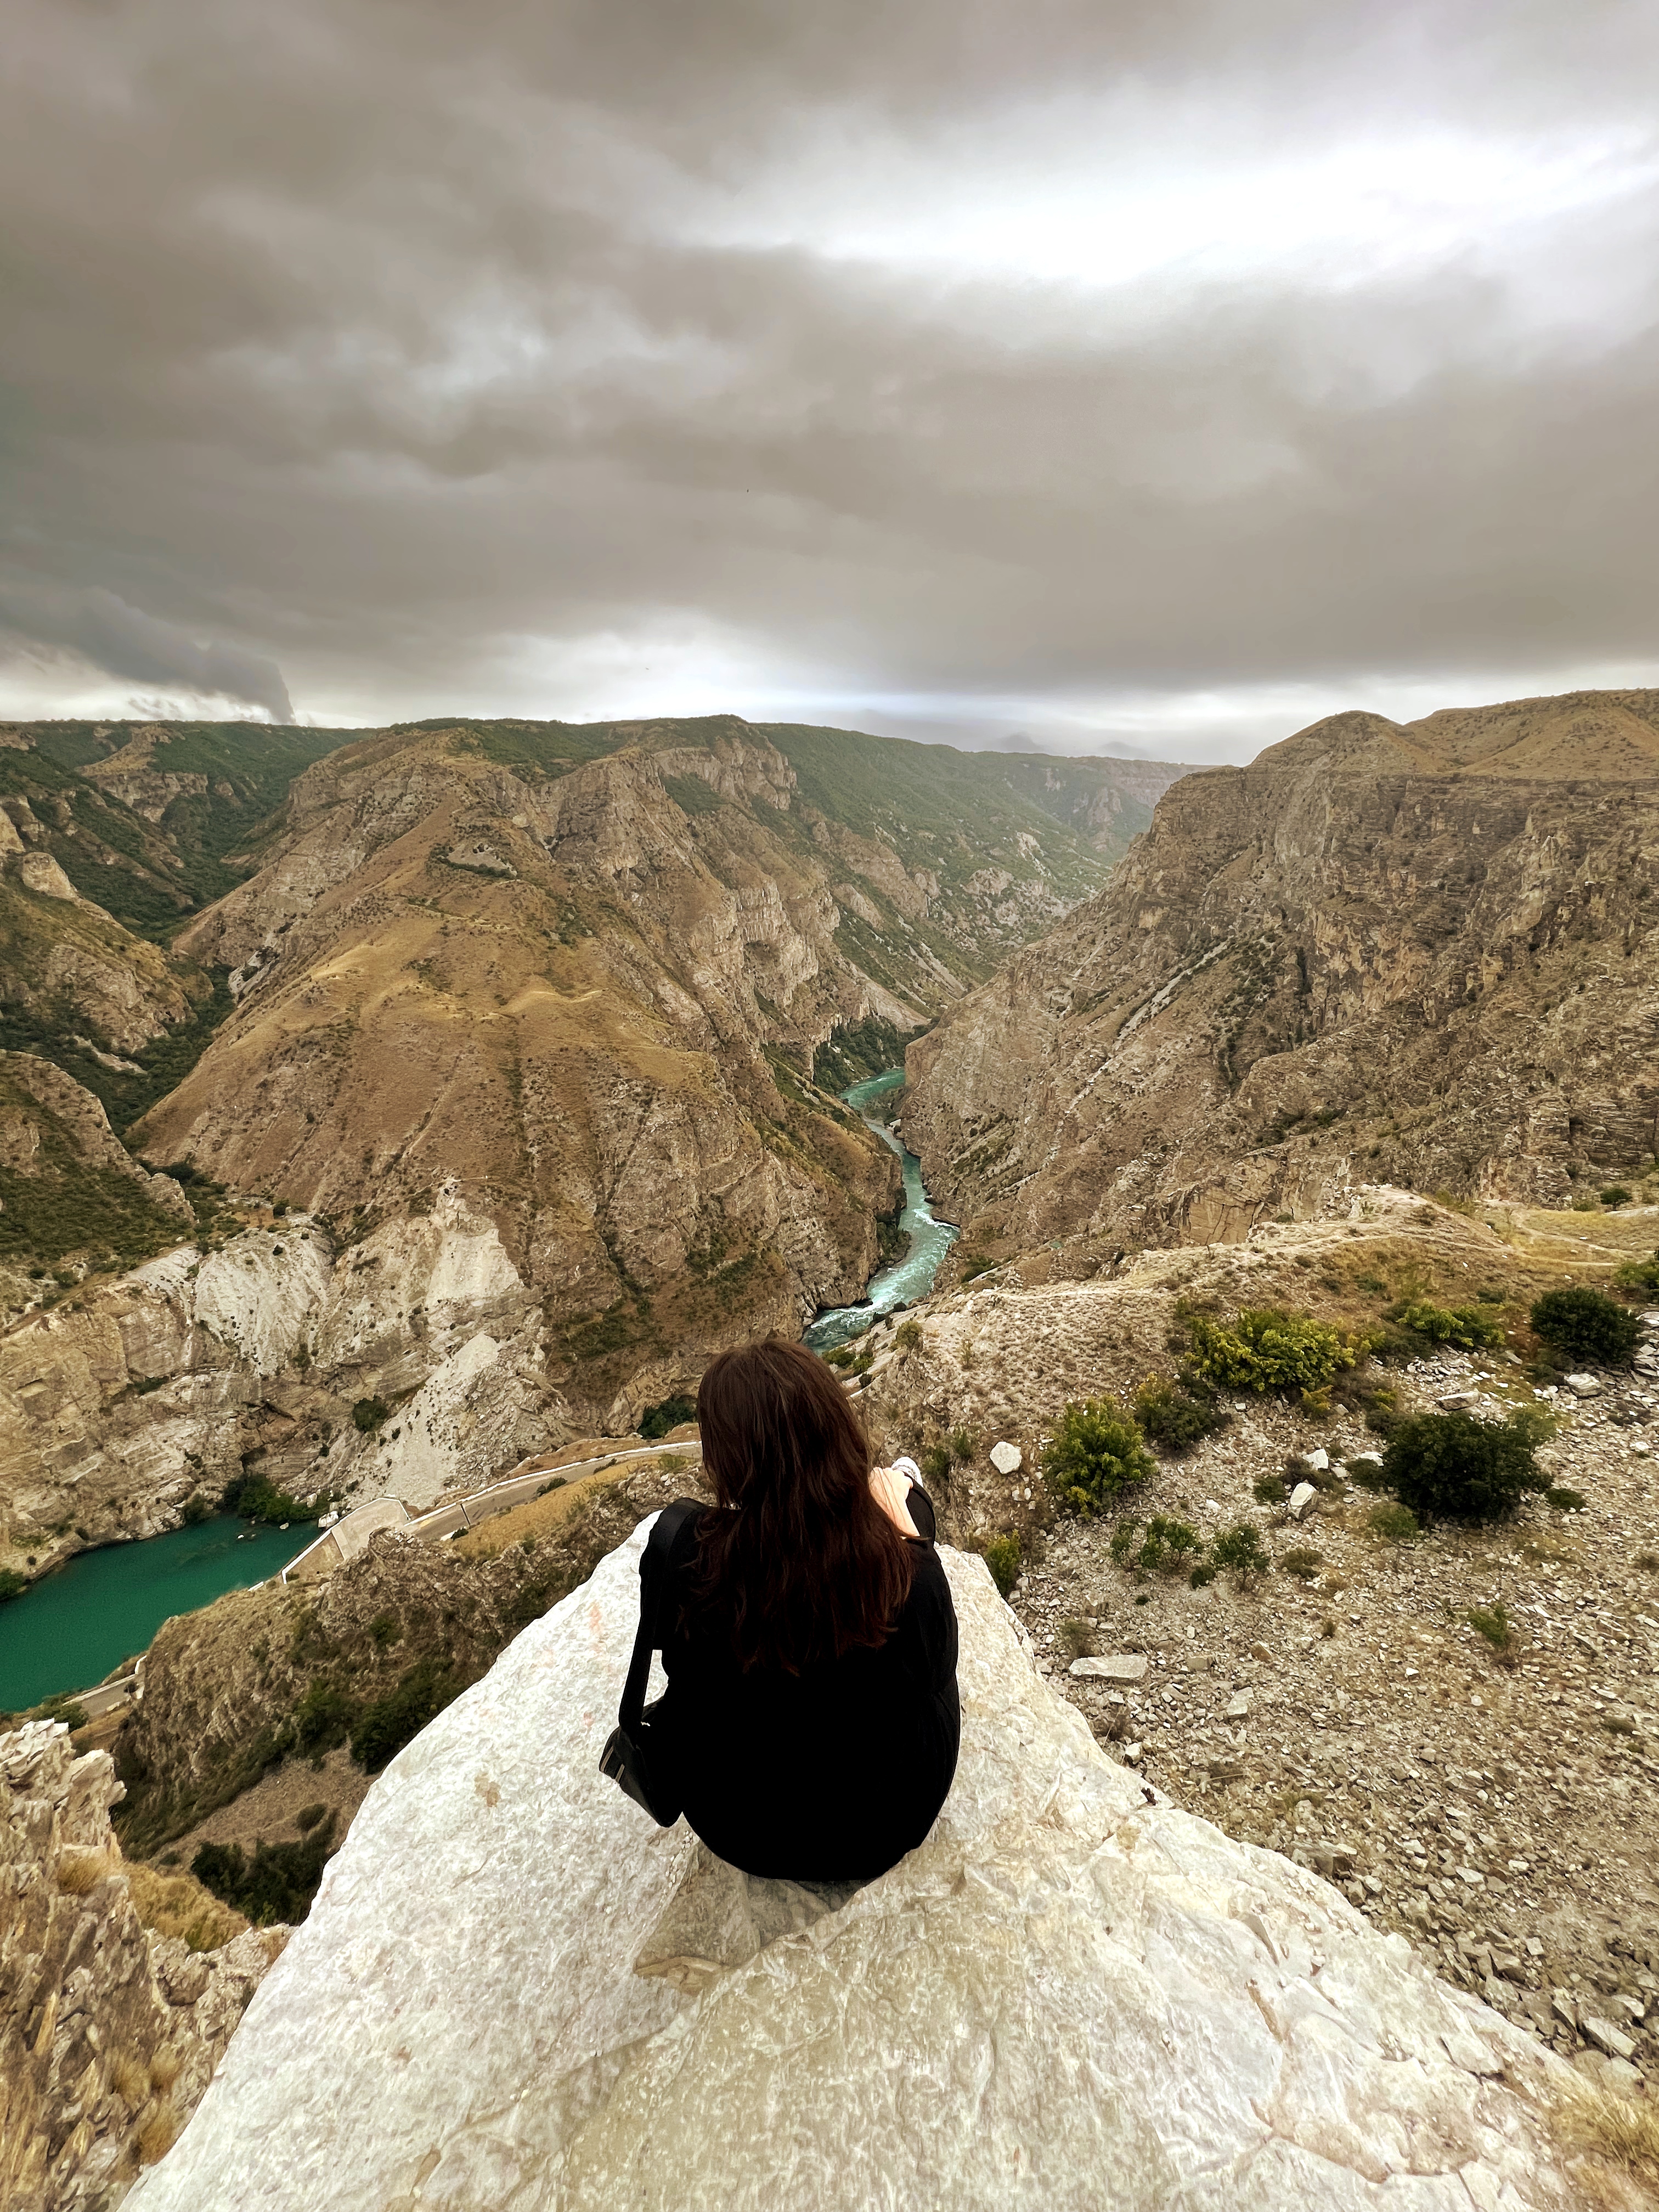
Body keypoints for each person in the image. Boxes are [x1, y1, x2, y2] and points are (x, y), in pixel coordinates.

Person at [651, 1338, 960, 1884]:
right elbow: (935, 1667)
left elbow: (679, 1667)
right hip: (882, 1825)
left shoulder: (685, 1552)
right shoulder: (902, 1573)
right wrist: (910, 1537)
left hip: (738, 1826)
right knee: (909, 1505)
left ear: (724, 1459)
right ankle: (897, 1482)